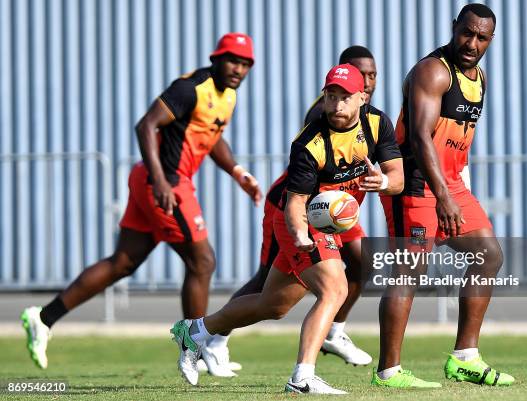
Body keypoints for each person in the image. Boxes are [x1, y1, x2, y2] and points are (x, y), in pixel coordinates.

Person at [20, 33, 262, 370]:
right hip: (165, 182)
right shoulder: (190, 88)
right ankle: (193, 349)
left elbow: (213, 135)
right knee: (202, 261)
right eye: (232, 60)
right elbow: (145, 125)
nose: (238, 68)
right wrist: (161, 179)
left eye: (245, 63)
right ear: (215, 58)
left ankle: (43, 318)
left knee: (123, 262)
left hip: (159, 180)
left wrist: (238, 173)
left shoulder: (228, 96)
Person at [170, 63, 404, 394]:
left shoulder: (378, 124)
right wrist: (299, 234)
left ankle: (193, 332)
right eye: (331, 96)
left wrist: (384, 181)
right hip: (302, 221)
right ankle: (302, 378)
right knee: (334, 288)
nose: (337, 105)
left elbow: (398, 178)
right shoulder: (310, 142)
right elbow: (295, 203)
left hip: (326, 224)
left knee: (273, 305)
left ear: (362, 98)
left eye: (345, 97)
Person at [199, 46, 378, 376]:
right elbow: (307, 185)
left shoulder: (371, 117)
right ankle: (214, 339)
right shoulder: (323, 117)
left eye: (371, 76)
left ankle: (334, 330)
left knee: (360, 262)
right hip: (300, 207)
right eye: (359, 73)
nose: (366, 81)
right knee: (270, 284)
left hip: (335, 210)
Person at [376, 3, 514, 388]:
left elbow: (459, 139)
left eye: (481, 37)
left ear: (490, 39)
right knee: (409, 269)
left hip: (450, 184)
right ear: (455, 28)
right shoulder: (433, 71)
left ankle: (465, 357)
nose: (471, 43)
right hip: (417, 184)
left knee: (489, 256)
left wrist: (458, 187)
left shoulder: (479, 78)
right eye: (466, 33)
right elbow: (420, 137)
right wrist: (444, 196)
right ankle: (388, 372)